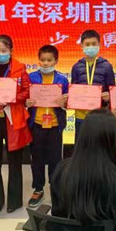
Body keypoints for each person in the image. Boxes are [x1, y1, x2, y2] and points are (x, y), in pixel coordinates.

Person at [0, 35, 32, 214]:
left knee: (15, 161)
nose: (0, 53)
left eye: (4, 50)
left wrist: (11, 98)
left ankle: (14, 201)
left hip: (12, 118)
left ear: (11, 51)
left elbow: (26, 91)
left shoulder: (20, 68)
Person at [26, 44, 69, 208]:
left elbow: (68, 102)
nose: (45, 63)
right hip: (36, 124)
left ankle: (56, 188)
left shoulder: (62, 80)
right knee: (36, 159)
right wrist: (26, 102)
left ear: (56, 61)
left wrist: (64, 102)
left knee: (55, 159)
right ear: (38, 60)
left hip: (54, 126)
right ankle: (38, 189)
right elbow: (23, 97)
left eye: (49, 60)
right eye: (43, 60)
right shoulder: (31, 78)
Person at [69, 30, 116, 139]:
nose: (91, 47)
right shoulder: (76, 67)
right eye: (87, 44)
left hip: (100, 114)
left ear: (99, 45)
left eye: (94, 44)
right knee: (82, 145)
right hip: (81, 115)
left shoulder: (107, 66)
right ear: (82, 45)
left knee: (100, 145)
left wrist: (109, 97)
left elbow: (112, 90)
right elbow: (74, 90)